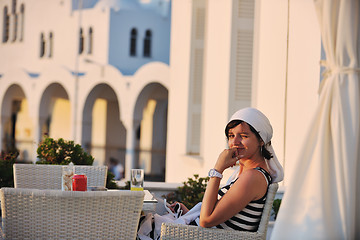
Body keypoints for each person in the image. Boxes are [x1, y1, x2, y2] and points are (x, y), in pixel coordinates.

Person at [137, 107, 284, 239]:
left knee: (134, 225)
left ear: (261, 140)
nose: (235, 142)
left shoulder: (253, 177)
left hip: (196, 236)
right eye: (231, 135)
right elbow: (218, 217)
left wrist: (218, 170)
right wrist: (189, 212)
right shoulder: (246, 174)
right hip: (196, 234)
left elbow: (206, 221)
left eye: (244, 136)